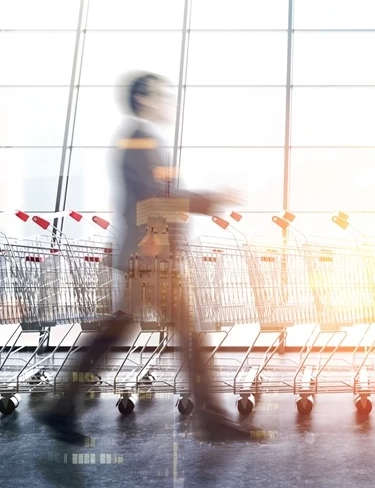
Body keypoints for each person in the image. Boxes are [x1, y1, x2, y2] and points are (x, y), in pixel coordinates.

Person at [39, 71, 253, 444]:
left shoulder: (140, 139)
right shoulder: (139, 140)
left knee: (115, 334)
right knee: (188, 336)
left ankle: (61, 407)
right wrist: (210, 199)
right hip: (150, 259)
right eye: (159, 95)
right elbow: (154, 196)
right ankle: (213, 421)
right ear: (142, 99)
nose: (166, 101)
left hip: (149, 257)